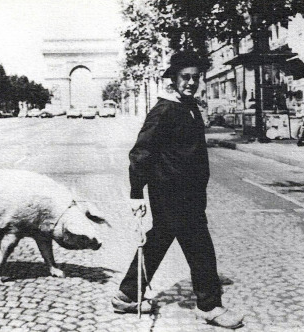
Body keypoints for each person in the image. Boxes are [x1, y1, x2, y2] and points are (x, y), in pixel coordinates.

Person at [111, 51, 244, 329]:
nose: (191, 82)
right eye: (186, 77)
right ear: (174, 78)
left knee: (158, 241)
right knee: (201, 248)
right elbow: (141, 153)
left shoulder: (188, 106)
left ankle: (126, 295)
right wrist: (136, 193)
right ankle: (210, 306)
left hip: (188, 193)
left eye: (196, 77)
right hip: (172, 193)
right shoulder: (165, 109)